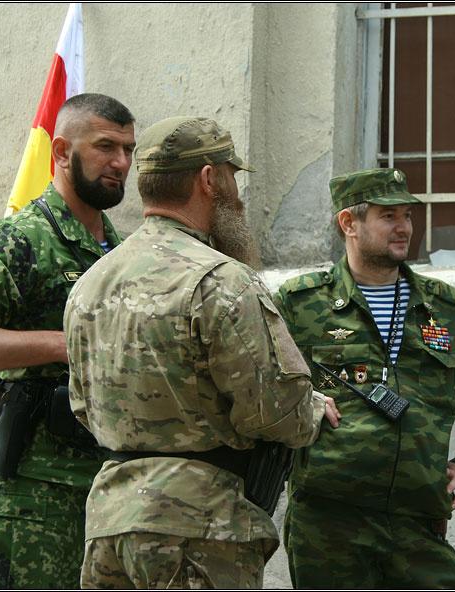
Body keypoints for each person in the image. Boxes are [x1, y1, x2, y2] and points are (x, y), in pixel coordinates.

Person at [64, 115, 339, 589]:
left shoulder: (91, 282)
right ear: (209, 179)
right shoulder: (221, 280)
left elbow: (84, 406)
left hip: (110, 523)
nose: (237, 193)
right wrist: (313, 409)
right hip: (199, 529)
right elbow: (274, 413)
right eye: (232, 176)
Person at [0, 93, 135, 589]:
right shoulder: (20, 240)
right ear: (61, 151)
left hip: (111, 496)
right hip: (33, 502)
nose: (121, 163)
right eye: (105, 146)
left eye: (128, 150)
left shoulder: (122, 253)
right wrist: (64, 344)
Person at [273, 167, 455, 588]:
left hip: (418, 525)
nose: (404, 227)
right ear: (349, 223)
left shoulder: (445, 309)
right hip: (329, 525)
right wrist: (303, 404)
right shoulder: (300, 303)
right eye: (388, 216)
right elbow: (261, 389)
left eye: (407, 215)